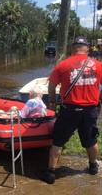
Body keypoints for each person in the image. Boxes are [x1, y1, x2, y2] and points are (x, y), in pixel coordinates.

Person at [40, 36, 102, 184]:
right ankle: (93, 166)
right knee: (91, 139)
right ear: (87, 48)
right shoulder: (99, 66)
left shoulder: (62, 65)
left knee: (58, 141)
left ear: (73, 48)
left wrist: (53, 103)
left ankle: (50, 173)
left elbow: (51, 86)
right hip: (90, 110)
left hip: (69, 110)